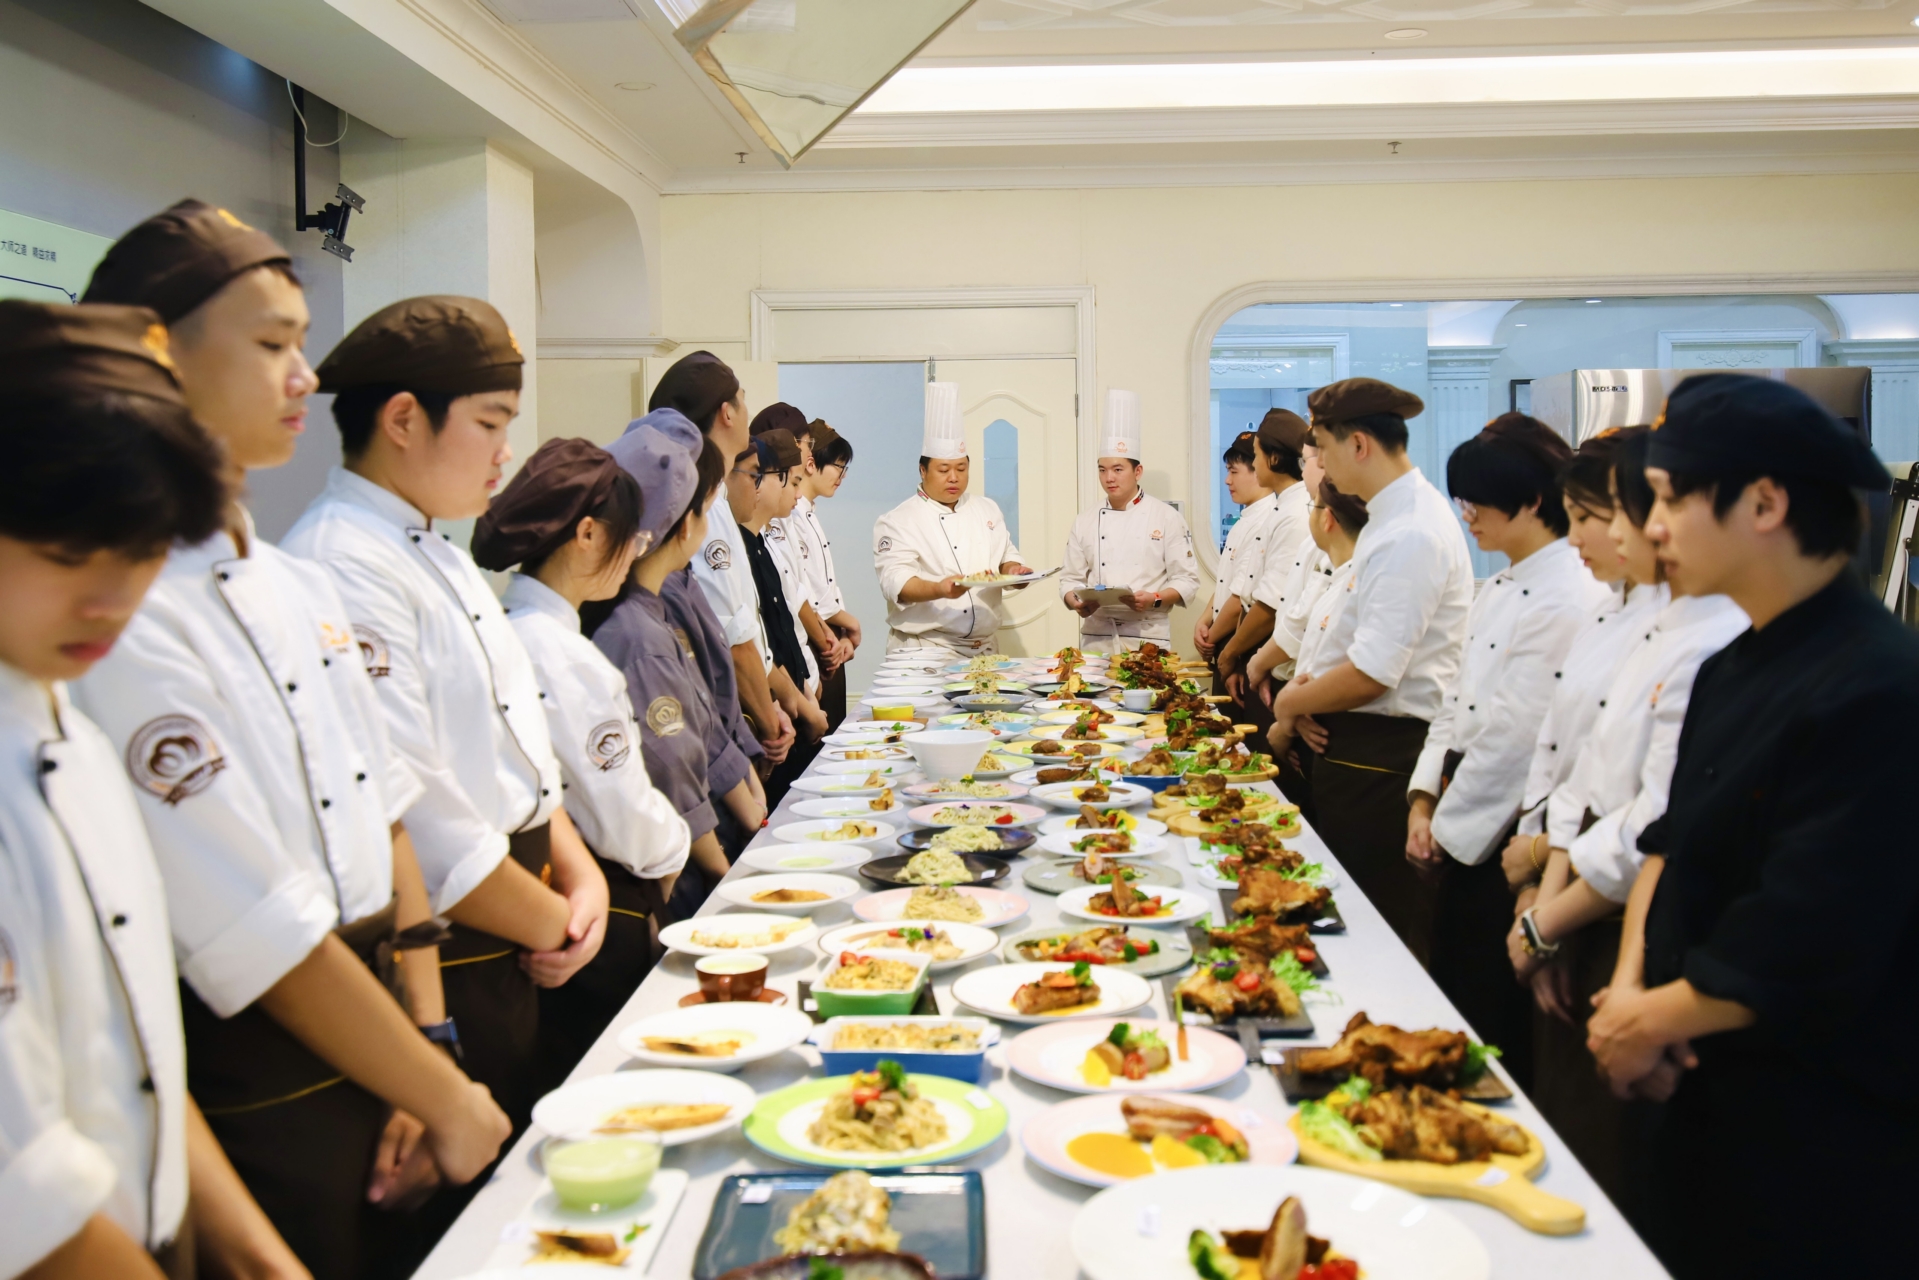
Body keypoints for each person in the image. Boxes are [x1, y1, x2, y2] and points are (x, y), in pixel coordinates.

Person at [76, 207, 508, 1277]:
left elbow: (385, 808)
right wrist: (438, 1088)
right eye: (271, 344)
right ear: (153, 352)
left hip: (390, 1017)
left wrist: (428, 1041)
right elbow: (255, 927)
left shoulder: (292, 581)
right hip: (265, 1055)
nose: (303, 376)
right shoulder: (120, 609)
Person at [0, 300, 309, 1280]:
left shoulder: (75, 739)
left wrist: (260, 1258)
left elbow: (136, 1051)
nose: (108, 600)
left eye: (138, 556)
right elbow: (29, 1197)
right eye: (63, 557)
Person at [1584, 374, 1915, 1277]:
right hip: (1692, 1086)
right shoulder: (1734, 664)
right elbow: (1666, 841)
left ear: (1764, 502)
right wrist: (1627, 994)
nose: (1650, 530)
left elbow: (1815, 933)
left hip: (1813, 1123)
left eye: (1667, 501)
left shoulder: (1876, 685)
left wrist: (1647, 1018)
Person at [280, 297, 605, 1146]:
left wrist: (578, 872)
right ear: (401, 419)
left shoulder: (433, 546)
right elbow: (413, 810)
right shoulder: (340, 561)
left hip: (527, 905)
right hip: (455, 935)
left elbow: (516, 741)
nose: (506, 454)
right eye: (490, 424)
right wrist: (551, 918)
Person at [472, 438, 691, 1084]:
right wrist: (675, 844)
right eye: (631, 536)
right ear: (589, 534)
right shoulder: (563, 658)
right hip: (601, 907)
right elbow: (623, 813)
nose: (637, 551)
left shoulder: (508, 627)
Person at [1402, 414, 1607, 1091]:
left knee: (1486, 1012)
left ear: (1532, 502)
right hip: (1461, 805)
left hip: (1505, 829)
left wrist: (1448, 833)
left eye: (1479, 502)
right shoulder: (1497, 587)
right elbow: (1451, 703)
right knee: (1454, 991)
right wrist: (1422, 800)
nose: (1467, 516)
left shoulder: (1566, 595)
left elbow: (1516, 740)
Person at [1488, 431, 1664, 1196]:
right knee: (1561, 1119)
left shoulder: (1693, 633)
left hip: (1619, 918)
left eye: (1594, 515)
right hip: (1564, 893)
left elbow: (1646, 821)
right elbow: (1563, 762)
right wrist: (1536, 888)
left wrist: (1544, 918)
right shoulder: (1609, 614)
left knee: (1611, 1154)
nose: (1598, 535)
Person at [1269, 377, 1472, 965]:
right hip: (1352, 747)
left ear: (1359, 445)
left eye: (1325, 452)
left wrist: (1291, 704)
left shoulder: (1410, 530)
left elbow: (1374, 672)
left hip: (1380, 760)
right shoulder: (1389, 519)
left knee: (1371, 935)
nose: (1323, 470)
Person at [594, 412, 738, 908]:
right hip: (680, 864)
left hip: (698, 839)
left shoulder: (650, 610)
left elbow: (705, 722)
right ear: (684, 528)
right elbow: (672, 761)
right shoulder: (638, 633)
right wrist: (723, 864)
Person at [641, 356, 772, 863]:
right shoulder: (704, 490)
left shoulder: (713, 490)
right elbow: (687, 716)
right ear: (727, 413)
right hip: (695, 818)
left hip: (732, 756)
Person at [657, 360, 792, 775]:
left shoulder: (716, 492)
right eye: (744, 402)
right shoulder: (705, 501)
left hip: (738, 714)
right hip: (721, 727)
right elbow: (733, 638)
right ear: (727, 413)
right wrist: (769, 722)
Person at [874, 382, 1032, 658]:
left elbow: (1005, 557)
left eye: (961, 468)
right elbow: (896, 583)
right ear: (922, 470)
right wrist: (940, 589)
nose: (954, 477)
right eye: (943, 469)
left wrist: (1015, 572)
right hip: (925, 651)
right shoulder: (898, 520)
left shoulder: (987, 509)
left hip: (984, 652)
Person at [1060, 390, 1200, 654]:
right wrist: (1077, 602)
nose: (1109, 478)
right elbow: (1069, 579)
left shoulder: (1166, 517)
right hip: (1097, 635)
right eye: (1102, 470)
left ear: (1138, 472)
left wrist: (1155, 599)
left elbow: (1187, 579)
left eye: (1117, 469)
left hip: (1148, 636)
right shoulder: (1085, 521)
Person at [738, 429, 828, 801]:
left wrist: (807, 698)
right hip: (772, 713)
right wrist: (800, 708)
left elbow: (784, 636)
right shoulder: (741, 548)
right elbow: (755, 649)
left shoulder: (762, 544)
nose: (796, 493)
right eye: (791, 482)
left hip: (796, 699)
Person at [1214, 409, 1314, 713]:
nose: (1253, 464)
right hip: (1253, 649)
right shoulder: (1280, 509)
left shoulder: (1296, 515)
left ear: (1272, 459)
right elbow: (1249, 593)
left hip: (1271, 653)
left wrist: (1230, 654)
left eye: (1255, 456)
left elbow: (1270, 605)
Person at [790, 419, 858, 730]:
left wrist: (843, 632)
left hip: (831, 640)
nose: (841, 478)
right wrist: (848, 624)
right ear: (811, 462)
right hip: (815, 643)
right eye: (838, 468)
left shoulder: (810, 513)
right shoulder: (791, 516)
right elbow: (808, 594)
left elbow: (827, 586)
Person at [1194, 432, 1267, 666]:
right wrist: (1204, 621)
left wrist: (1210, 639)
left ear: (1259, 471)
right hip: (1220, 635)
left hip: (1239, 643)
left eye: (1234, 471)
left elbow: (1240, 600)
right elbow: (1226, 583)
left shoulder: (1265, 522)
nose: (1227, 480)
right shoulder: (1243, 520)